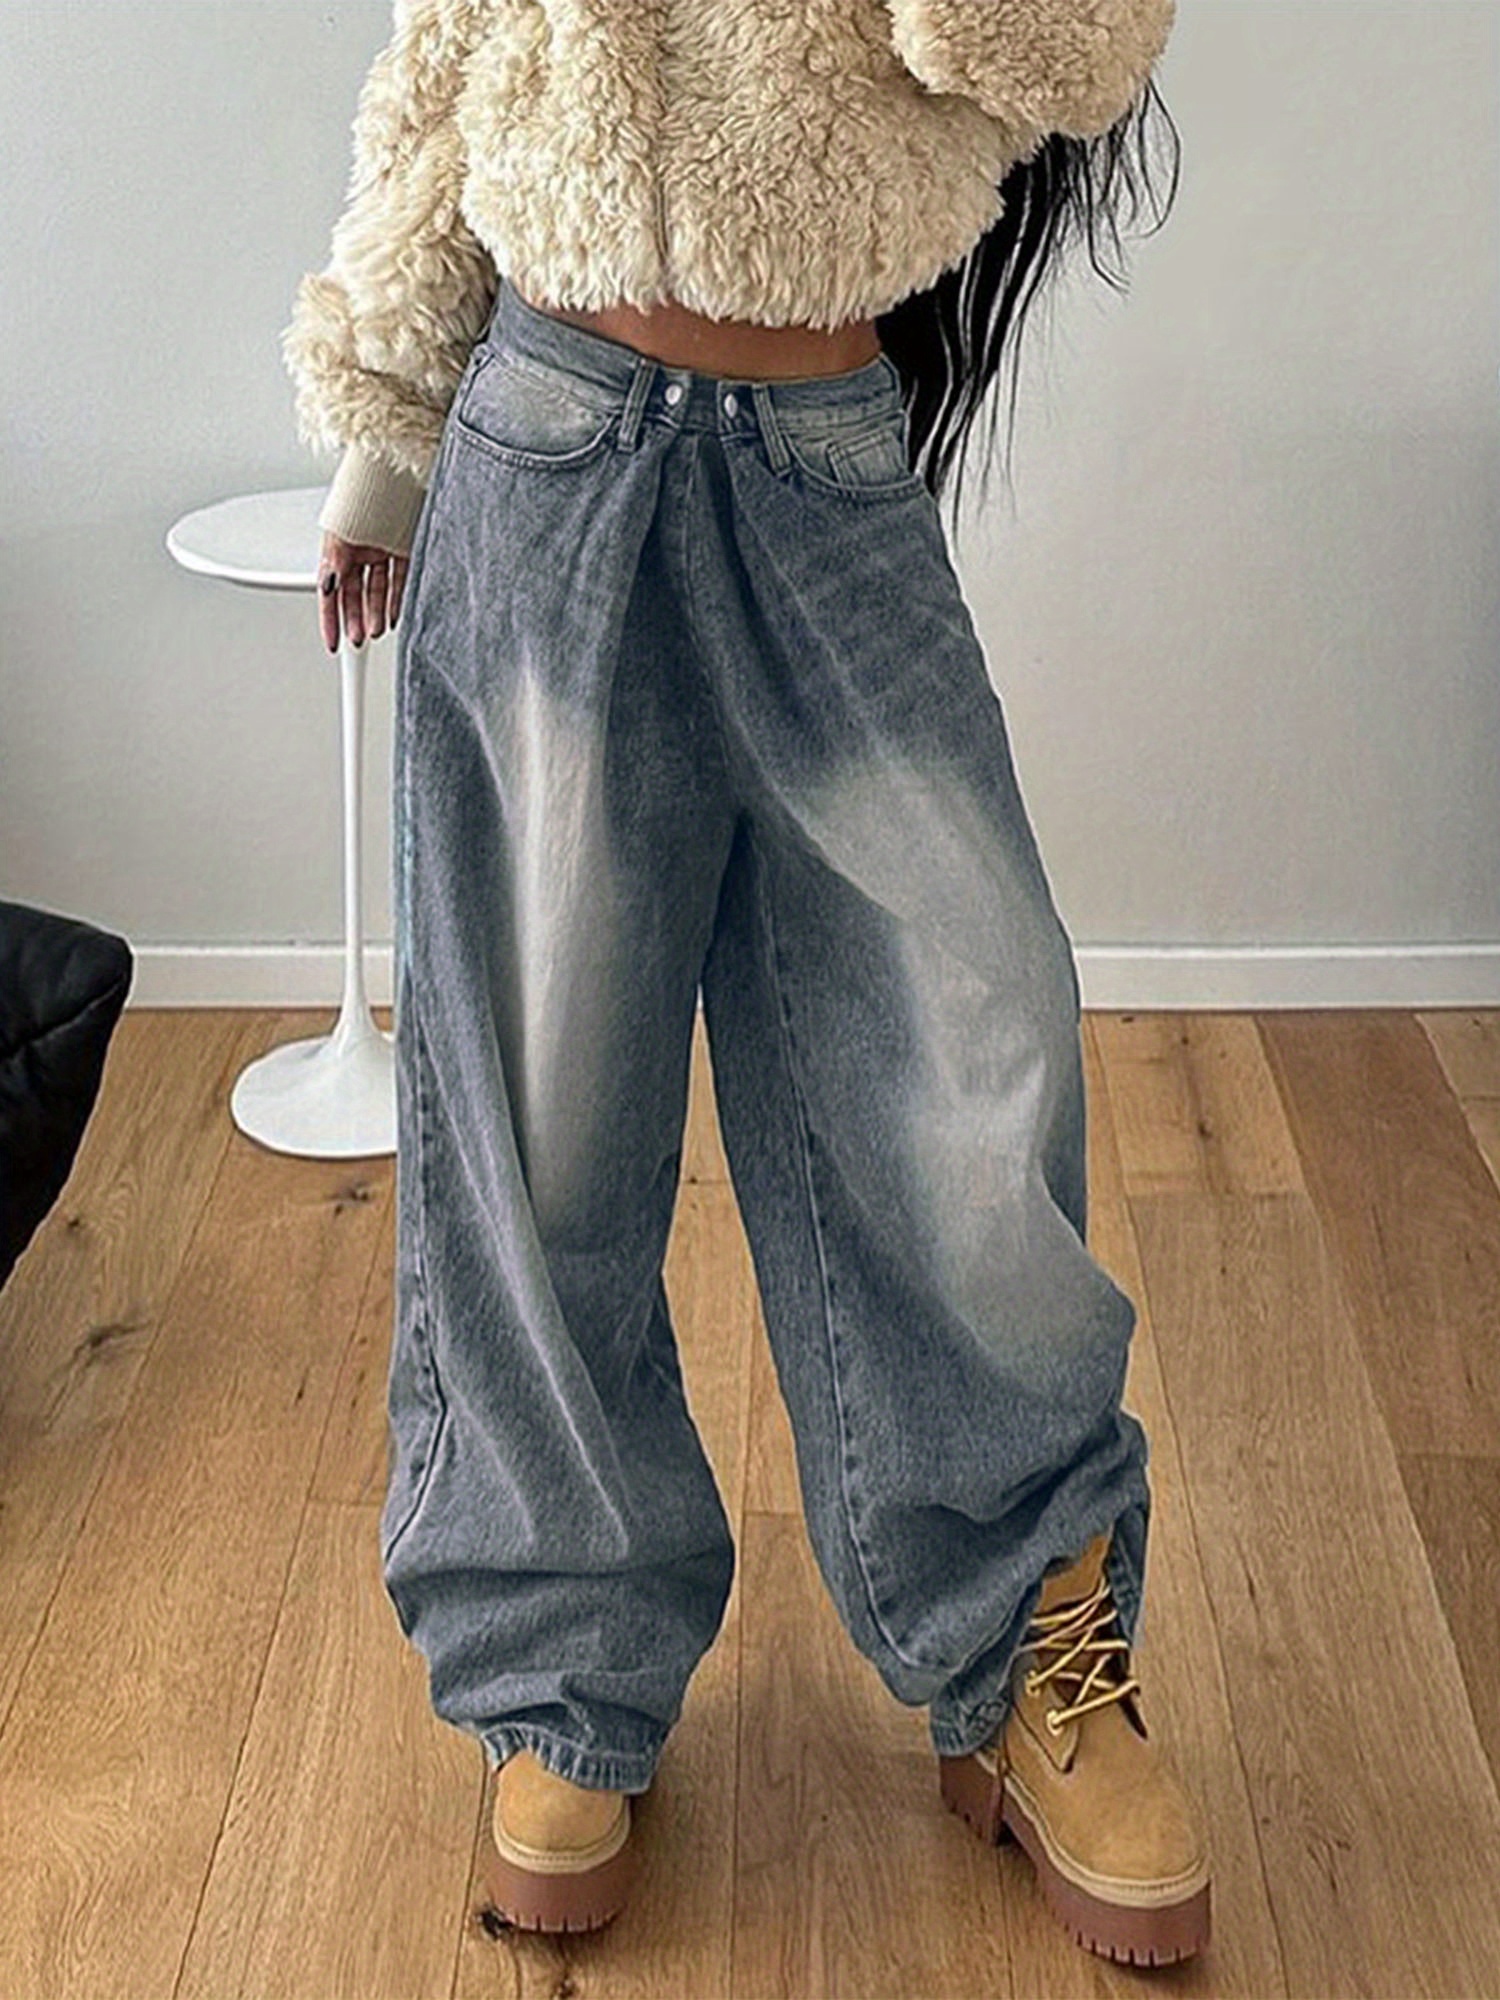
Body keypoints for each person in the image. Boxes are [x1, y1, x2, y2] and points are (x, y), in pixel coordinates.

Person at [282, 0, 1210, 1969]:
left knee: (972, 1045)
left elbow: (1074, 57)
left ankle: (1027, 1639)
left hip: (818, 464)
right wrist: (383, 431)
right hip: (544, 443)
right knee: (543, 1106)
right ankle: (560, 1677)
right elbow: (449, 71)